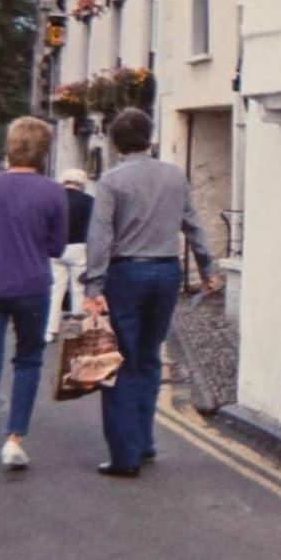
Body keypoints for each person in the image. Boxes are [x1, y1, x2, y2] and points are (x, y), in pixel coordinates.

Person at [82, 108, 220, 478]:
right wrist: (207, 269)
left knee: (120, 361)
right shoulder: (175, 176)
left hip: (126, 273)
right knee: (149, 357)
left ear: (115, 142)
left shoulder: (111, 181)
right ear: (150, 137)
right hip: (167, 273)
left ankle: (124, 456)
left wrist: (94, 284)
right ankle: (144, 443)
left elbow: (100, 236)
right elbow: (193, 225)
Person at [0, 116, 68, 483]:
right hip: (33, 286)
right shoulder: (54, 192)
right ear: (44, 152)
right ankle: (14, 441)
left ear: (10, 146)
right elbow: (57, 246)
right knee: (29, 361)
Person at [45, 168, 93, 343]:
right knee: (78, 288)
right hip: (79, 247)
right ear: (81, 183)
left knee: (55, 289)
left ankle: (50, 330)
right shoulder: (88, 201)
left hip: (56, 248)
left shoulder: (53, 200)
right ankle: (77, 329)